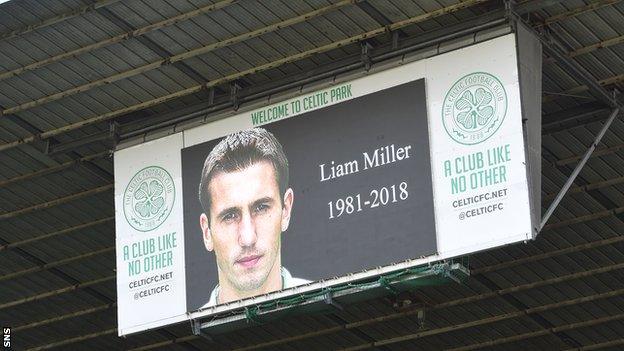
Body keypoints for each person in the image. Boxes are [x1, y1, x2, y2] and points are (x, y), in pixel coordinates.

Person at [198, 127, 309, 307]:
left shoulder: (330, 308)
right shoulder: (186, 330)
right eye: (230, 216)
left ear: (286, 209)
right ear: (206, 232)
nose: (248, 238)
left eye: (261, 208)